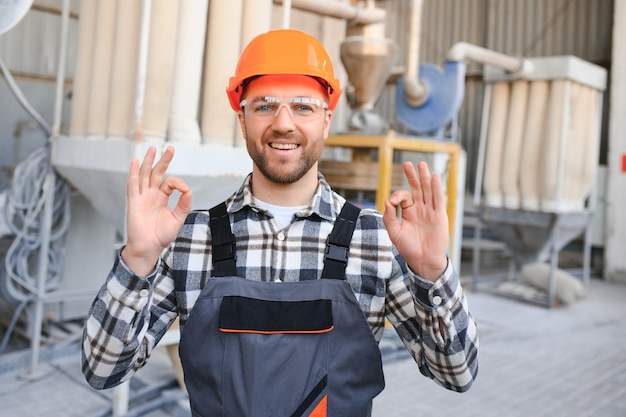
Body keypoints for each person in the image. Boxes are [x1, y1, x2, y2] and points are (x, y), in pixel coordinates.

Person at [82, 29, 478, 416]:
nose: (284, 123)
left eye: (303, 106)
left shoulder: (372, 237)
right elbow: (103, 371)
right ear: (243, 120)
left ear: (326, 120)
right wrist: (138, 258)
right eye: (265, 105)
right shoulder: (191, 237)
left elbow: (457, 374)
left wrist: (432, 272)